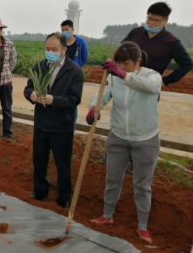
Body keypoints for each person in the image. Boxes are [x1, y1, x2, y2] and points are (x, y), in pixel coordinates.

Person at [86, 42, 162, 244]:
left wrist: (122, 74)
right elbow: (102, 94)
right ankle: (107, 215)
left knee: (142, 185)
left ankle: (142, 226)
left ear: (138, 61)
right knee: (112, 179)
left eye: (125, 63)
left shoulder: (151, 76)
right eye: (118, 63)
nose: (121, 67)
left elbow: (150, 87)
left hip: (145, 139)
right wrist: (95, 108)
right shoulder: (113, 77)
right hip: (118, 137)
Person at [24, 32, 84, 208]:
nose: (50, 52)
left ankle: (63, 198)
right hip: (41, 123)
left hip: (62, 126)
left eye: (54, 49)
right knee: (39, 160)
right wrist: (31, 94)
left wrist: (54, 100)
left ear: (64, 50)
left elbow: (74, 99)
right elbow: (28, 87)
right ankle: (40, 192)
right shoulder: (40, 67)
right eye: (47, 48)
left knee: (62, 163)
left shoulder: (74, 71)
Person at [122, 2, 193, 86]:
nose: (151, 23)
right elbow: (122, 50)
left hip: (147, 86)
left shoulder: (171, 42)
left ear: (165, 21)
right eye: (149, 18)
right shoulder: (135, 32)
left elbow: (187, 64)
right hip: (125, 81)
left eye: (156, 20)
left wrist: (164, 81)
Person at [61, 19, 89, 125]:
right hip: (62, 74)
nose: (64, 32)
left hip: (74, 76)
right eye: (62, 30)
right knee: (61, 97)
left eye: (66, 29)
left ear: (72, 29)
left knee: (73, 99)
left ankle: (71, 124)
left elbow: (84, 58)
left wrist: (77, 68)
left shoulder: (80, 42)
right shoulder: (61, 42)